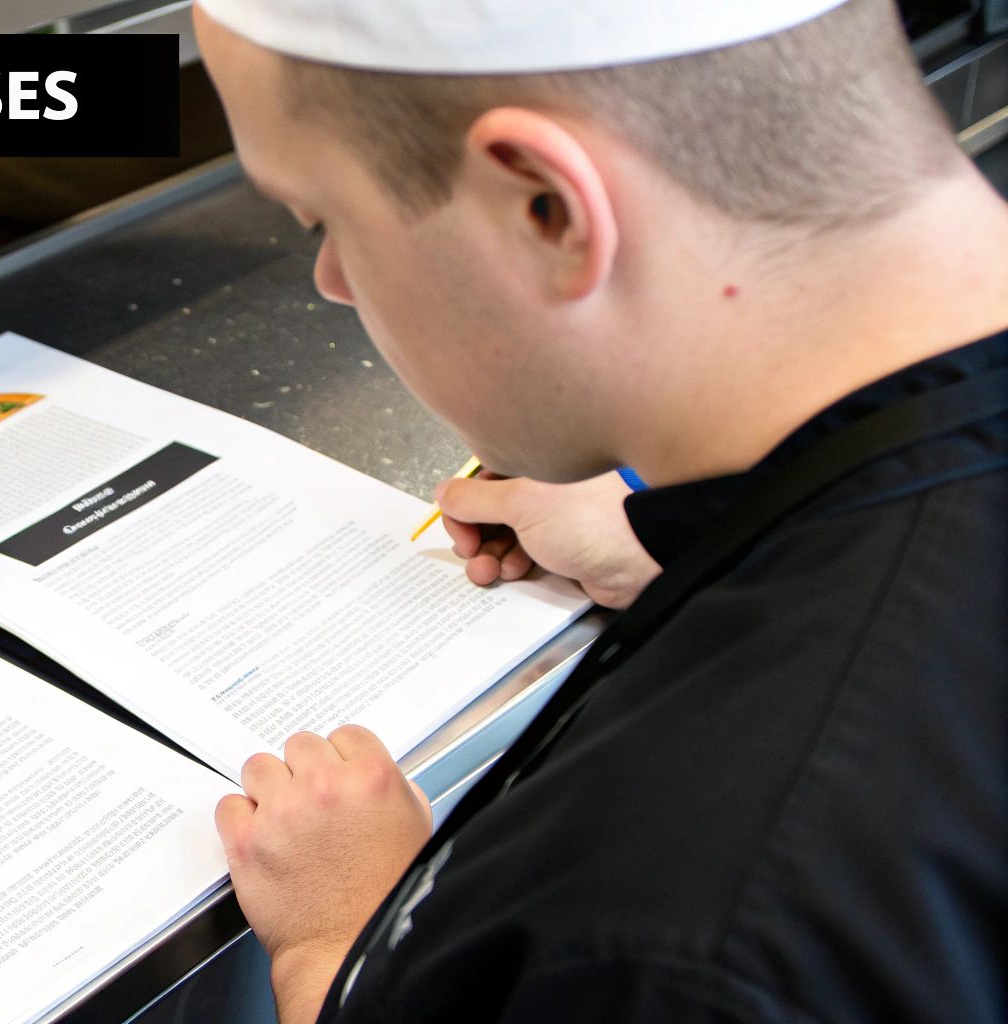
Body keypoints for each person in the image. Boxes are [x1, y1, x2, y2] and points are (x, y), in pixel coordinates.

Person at [193, 0, 1008, 1020]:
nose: (327, 281)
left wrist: (354, 945)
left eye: (324, 220)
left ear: (544, 207)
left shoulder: (681, 929)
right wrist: (689, 529)